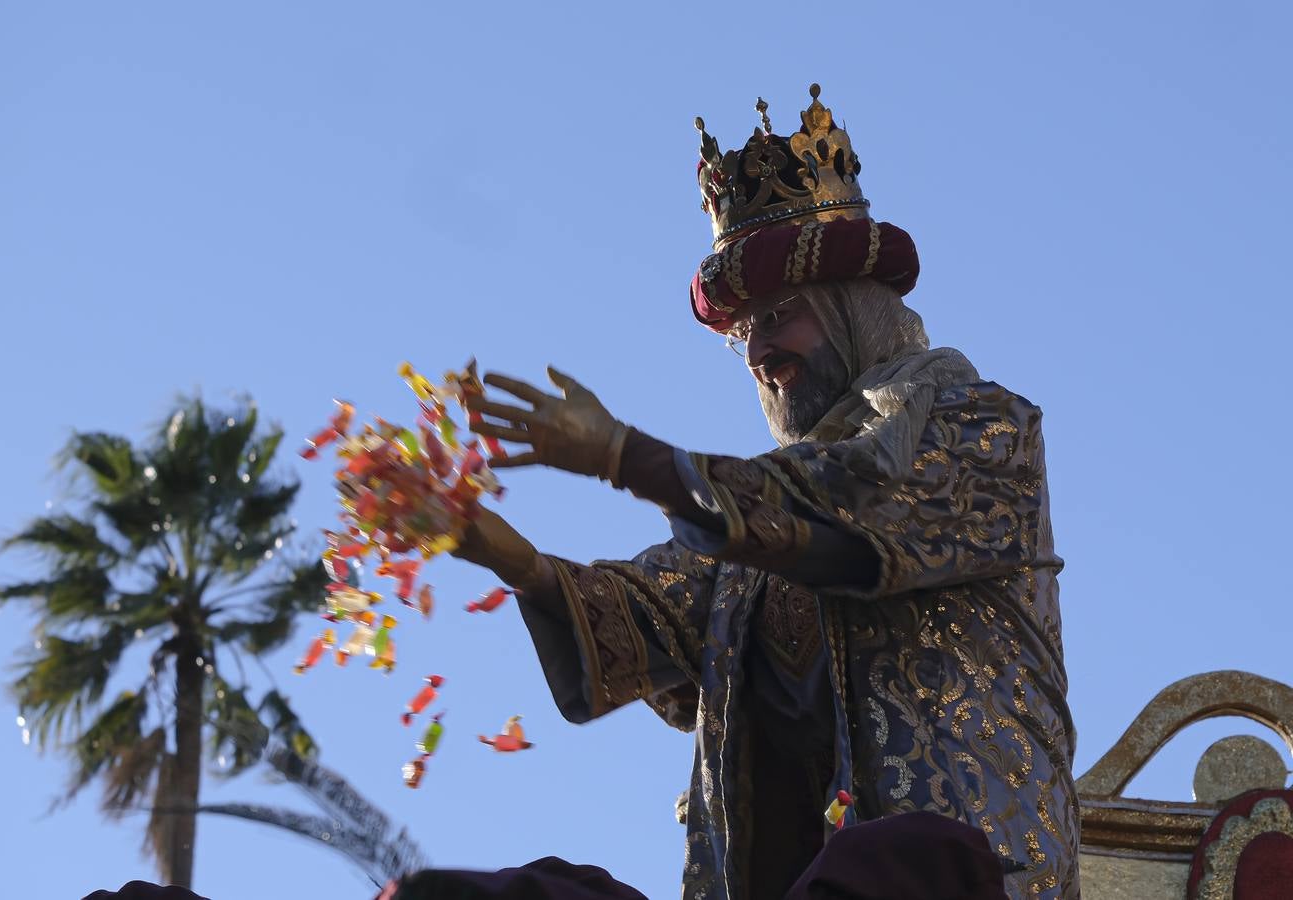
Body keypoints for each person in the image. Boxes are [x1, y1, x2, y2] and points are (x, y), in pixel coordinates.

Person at [447, 84, 1080, 900]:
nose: (757, 354)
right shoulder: (743, 529)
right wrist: (511, 559)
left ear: (853, 313)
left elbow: (844, 507)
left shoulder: (985, 430)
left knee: (890, 860)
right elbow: (652, 611)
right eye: (742, 333)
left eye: (779, 316)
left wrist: (620, 456)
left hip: (959, 877)